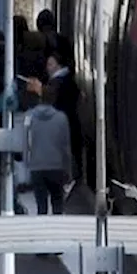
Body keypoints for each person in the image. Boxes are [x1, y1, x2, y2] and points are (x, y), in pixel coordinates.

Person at [25, 84, 73, 216]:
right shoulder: (61, 118)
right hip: (56, 167)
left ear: (40, 98)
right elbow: (65, 146)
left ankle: (42, 231)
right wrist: (68, 170)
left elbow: (26, 142)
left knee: (41, 206)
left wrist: (27, 163)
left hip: (36, 166)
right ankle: (56, 231)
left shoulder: (30, 117)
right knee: (57, 204)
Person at [43, 51, 83, 184]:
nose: (47, 67)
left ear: (58, 66)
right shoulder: (68, 81)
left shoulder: (57, 83)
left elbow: (51, 100)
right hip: (70, 123)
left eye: (50, 64)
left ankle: (68, 180)